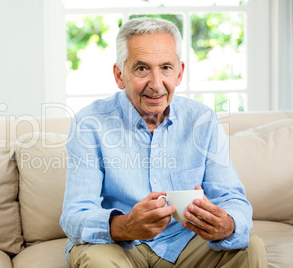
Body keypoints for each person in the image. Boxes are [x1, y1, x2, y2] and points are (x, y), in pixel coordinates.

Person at [59, 17, 267, 267]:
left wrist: (228, 224)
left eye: (166, 68)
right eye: (141, 68)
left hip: (185, 243)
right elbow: (75, 215)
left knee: (250, 248)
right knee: (97, 261)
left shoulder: (203, 121)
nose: (156, 85)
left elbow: (232, 198)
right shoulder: (89, 123)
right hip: (119, 246)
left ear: (179, 72)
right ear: (119, 75)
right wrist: (125, 226)